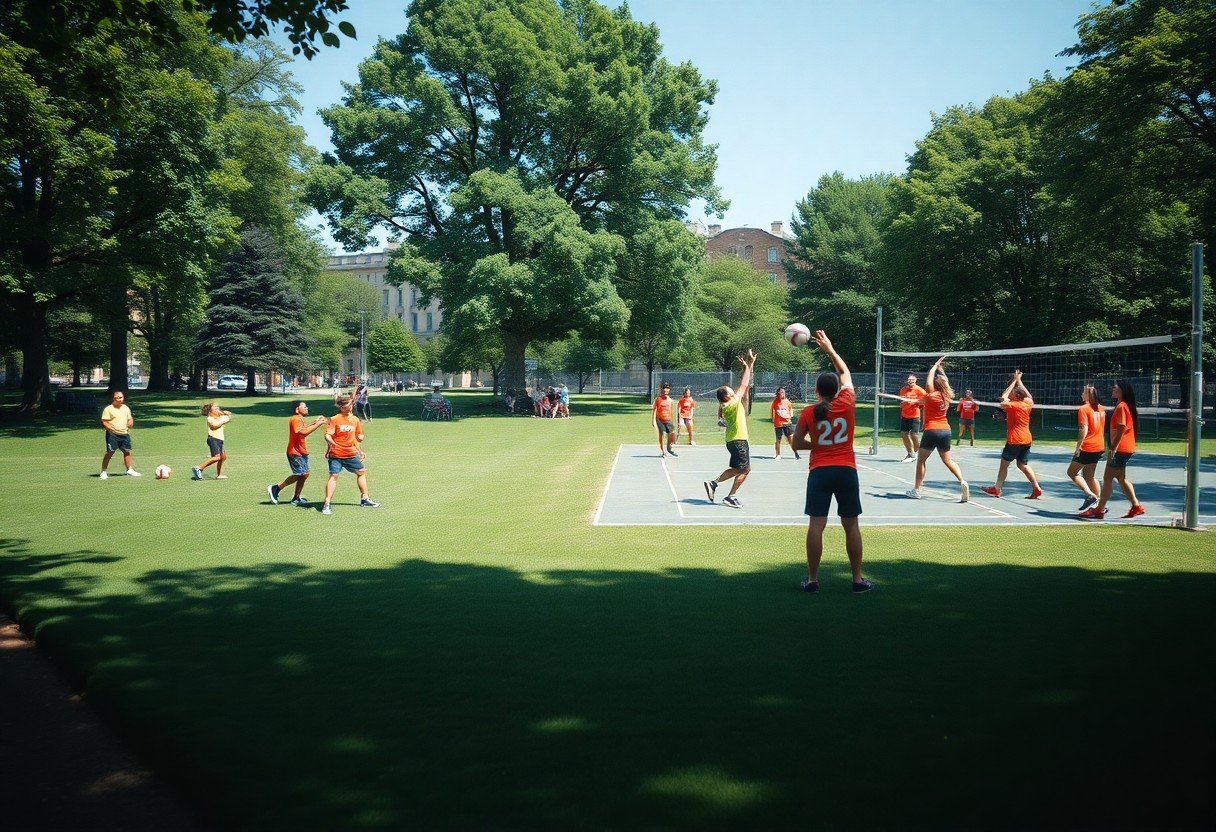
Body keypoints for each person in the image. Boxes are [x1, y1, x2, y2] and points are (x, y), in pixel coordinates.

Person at [791, 331, 872, 593]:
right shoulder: (847, 402)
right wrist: (830, 349)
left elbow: (795, 443)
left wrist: (817, 444)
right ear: (837, 389)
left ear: (816, 391)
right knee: (852, 526)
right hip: (846, 470)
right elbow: (845, 371)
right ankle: (857, 580)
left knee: (817, 526)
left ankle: (813, 580)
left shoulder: (808, 412)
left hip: (820, 472)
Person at [905, 357, 969, 502]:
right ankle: (962, 481)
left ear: (935, 385)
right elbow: (943, 382)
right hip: (945, 430)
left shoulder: (931, 396)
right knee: (948, 460)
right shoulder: (947, 396)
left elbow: (928, 383)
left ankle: (917, 490)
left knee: (921, 460)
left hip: (932, 430)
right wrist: (940, 369)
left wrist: (934, 367)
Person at [1081, 380, 1145, 520]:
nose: (1112, 389)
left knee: (1107, 479)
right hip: (1126, 448)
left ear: (1122, 390)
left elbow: (1121, 428)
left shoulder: (1122, 406)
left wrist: (1113, 450)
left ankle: (1099, 509)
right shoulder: (1123, 405)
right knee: (1121, 479)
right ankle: (1136, 506)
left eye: (1115, 388)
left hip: (1121, 449)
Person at [703, 350, 756, 508]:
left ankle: (719, 487)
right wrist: (748, 365)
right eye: (729, 390)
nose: (733, 390)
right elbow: (744, 384)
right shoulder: (733, 402)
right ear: (727, 395)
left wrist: (748, 365)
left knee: (740, 468)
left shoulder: (724, 404)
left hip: (732, 440)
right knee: (744, 469)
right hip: (739, 440)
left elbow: (742, 381)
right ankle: (725, 492)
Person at [980, 371, 1043, 499]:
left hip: (1015, 440)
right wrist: (1019, 380)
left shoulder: (1012, 405)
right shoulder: (1028, 403)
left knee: (1004, 465)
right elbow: (1028, 395)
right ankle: (1036, 487)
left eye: (1013, 392)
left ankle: (996, 489)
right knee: (1022, 464)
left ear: (1016, 396)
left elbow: (1003, 396)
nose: (1011, 393)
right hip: (1026, 439)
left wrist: (1014, 380)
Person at [321, 395, 379, 515]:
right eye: (349, 404)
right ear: (341, 407)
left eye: (352, 404)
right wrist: (332, 442)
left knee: (361, 472)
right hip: (336, 454)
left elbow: (356, 437)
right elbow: (327, 435)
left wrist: (360, 448)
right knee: (334, 475)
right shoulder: (334, 419)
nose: (351, 406)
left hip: (350, 453)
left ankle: (365, 499)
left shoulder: (355, 420)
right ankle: (327, 504)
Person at [268, 401, 327, 507]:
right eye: (304, 407)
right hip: (295, 452)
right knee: (301, 473)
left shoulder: (299, 419)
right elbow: (302, 432)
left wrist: (315, 422)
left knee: (304, 474)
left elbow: (303, 429)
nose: (306, 408)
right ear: (297, 409)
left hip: (301, 451)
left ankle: (296, 497)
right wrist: (318, 424)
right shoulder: (295, 418)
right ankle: (276, 488)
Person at [1067, 385, 1105, 512]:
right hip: (1099, 446)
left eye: (1083, 392)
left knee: (1072, 472)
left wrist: (1078, 446)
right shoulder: (1101, 409)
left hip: (1088, 446)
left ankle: (1091, 495)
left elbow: (1084, 428)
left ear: (1088, 395)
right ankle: (1098, 507)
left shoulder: (1084, 409)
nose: (1081, 394)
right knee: (1089, 476)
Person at [99, 390, 140, 479]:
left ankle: (129, 469)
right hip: (113, 435)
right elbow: (104, 421)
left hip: (124, 434)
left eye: (122, 397)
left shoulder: (125, 408)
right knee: (110, 452)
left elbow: (130, 418)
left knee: (127, 451)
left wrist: (131, 422)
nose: (121, 399)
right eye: (119, 397)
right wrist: (111, 428)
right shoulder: (108, 409)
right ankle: (103, 471)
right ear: (115, 398)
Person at [192, 403, 232, 480]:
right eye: (215, 408)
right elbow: (215, 425)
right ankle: (199, 468)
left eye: (218, 408)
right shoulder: (210, 418)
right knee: (217, 457)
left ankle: (219, 475)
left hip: (220, 440)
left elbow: (229, 414)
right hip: (213, 439)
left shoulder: (219, 417)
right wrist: (224, 419)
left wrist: (224, 414)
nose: (218, 409)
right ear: (210, 412)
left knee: (223, 457)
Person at [898, 373, 926, 462]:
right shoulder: (903, 390)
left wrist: (916, 402)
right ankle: (910, 453)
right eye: (909, 380)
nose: (911, 382)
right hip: (905, 415)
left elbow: (925, 400)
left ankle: (918, 452)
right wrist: (902, 403)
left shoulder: (919, 390)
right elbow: (901, 402)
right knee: (904, 434)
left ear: (915, 380)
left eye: (912, 380)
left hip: (914, 415)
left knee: (914, 435)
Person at [770, 386, 800, 460]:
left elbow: (791, 411)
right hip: (778, 423)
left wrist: (790, 417)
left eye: (783, 392)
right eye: (780, 392)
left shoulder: (787, 402)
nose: (782, 394)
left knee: (790, 439)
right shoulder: (775, 402)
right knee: (778, 439)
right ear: (778, 393)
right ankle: (778, 455)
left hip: (787, 423)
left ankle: (795, 453)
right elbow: (772, 411)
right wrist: (773, 420)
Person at [651, 382, 677, 457]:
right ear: (661, 390)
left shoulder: (670, 401)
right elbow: (654, 410)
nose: (665, 393)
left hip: (668, 419)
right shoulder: (658, 399)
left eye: (667, 391)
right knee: (661, 434)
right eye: (664, 391)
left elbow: (671, 411)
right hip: (659, 419)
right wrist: (653, 420)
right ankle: (663, 451)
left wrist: (673, 421)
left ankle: (669, 448)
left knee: (671, 434)